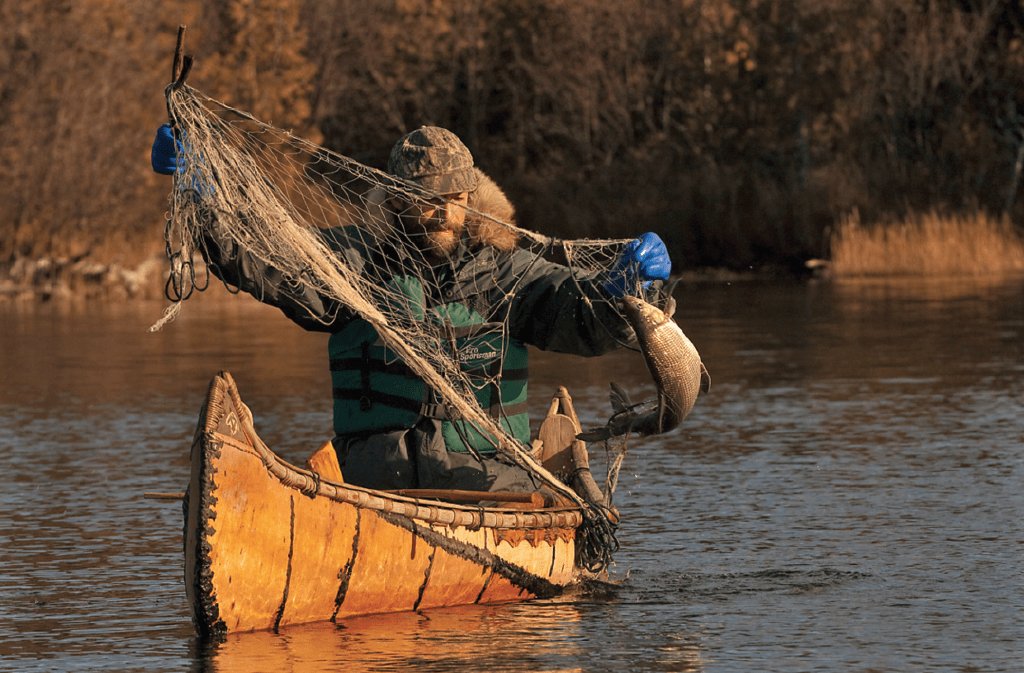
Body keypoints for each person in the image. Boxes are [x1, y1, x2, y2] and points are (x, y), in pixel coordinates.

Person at [151, 123, 671, 494]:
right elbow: (269, 261)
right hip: (374, 488)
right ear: (396, 200)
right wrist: (202, 203)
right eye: (423, 198)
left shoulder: (507, 272)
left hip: (495, 489)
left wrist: (627, 291)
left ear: (470, 196)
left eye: (453, 197)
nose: (440, 211)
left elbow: (581, 318)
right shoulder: (355, 264)